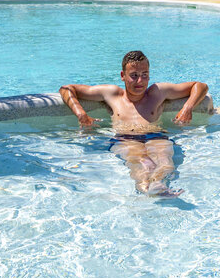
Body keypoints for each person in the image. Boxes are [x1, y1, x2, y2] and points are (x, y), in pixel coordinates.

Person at [60, 50, 209, 196]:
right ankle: (147, 189)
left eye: (145, 75)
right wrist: (81, 114)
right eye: (134, 76)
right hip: (125, 139)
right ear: (122, 76)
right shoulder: (112, 94)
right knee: (140, 166)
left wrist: (187, 108)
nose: (140, 81)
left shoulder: (158, 92)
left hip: (156, 136)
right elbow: (66, 89)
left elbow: (200, 86)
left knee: (166, 163)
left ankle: (157, 185)